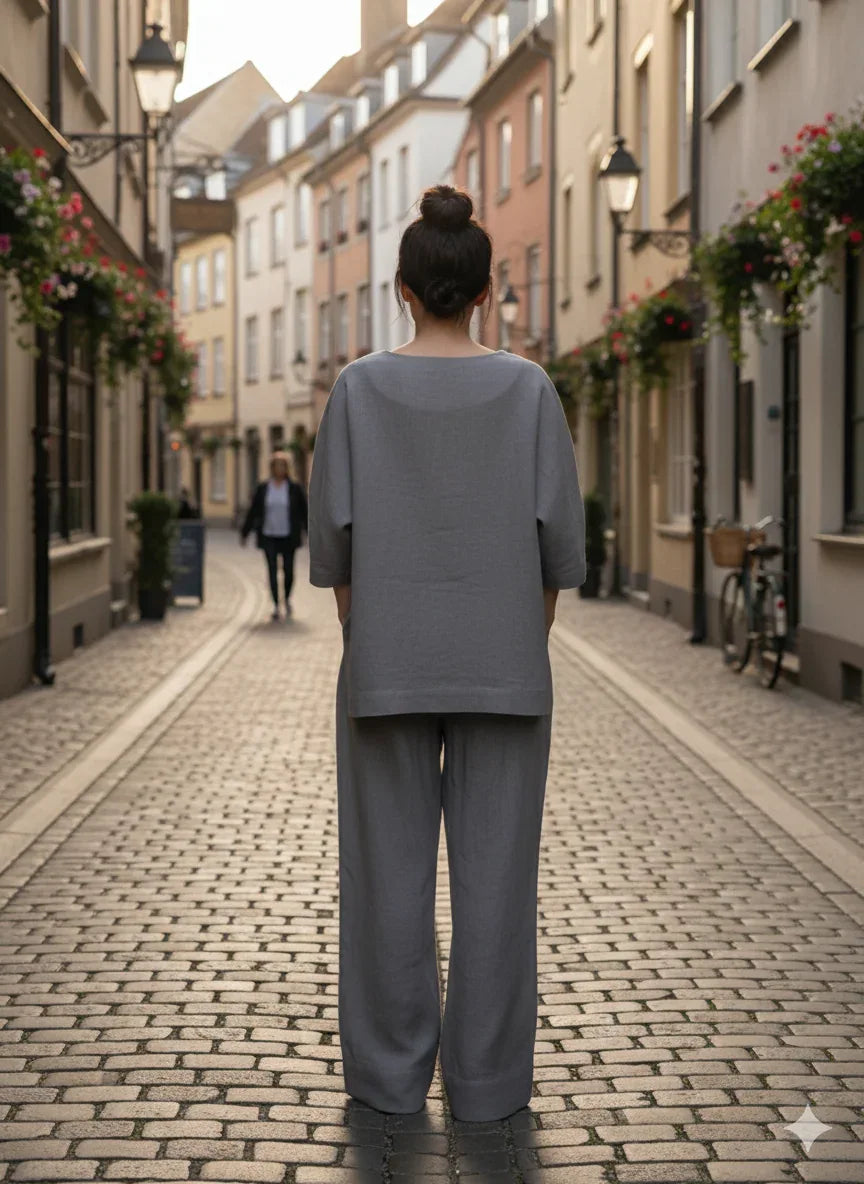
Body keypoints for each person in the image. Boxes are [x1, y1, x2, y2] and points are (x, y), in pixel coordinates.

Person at [308, 185, 586, 1125]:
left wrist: (380, 632)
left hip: (384, 664)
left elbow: (335, 555)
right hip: (507, 667)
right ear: (486, 289)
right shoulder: (529, 389)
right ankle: (490, 1086)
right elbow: (560, 554)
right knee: (500, 885)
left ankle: (388, 1078)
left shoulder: (356, 389)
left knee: (384, 882)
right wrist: (510, 634)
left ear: (400, 288)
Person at [241, 451, 308, 620]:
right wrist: (245, 532)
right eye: (276, 466)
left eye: (282, 466)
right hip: (268, 534)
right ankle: (276, 605)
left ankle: (286, 598)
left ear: (286, 468)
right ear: (272, 468)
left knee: (289, 571)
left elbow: (304, 512)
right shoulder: (264, 488)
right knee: (271, 570)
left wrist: (310, 532)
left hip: (288, 535)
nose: (279, 469)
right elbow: (254, 511)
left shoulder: (294, 488)